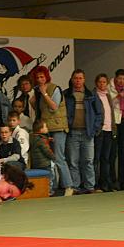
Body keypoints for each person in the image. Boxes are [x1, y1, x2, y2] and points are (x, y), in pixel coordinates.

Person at [29, 66, 73, 196]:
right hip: (45, 128)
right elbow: (39, 109)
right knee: (48, 160)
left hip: (58, 127)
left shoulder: (55, 88)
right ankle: (51, 188)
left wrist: (44, 93)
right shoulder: (37, 91)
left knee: (59, 158)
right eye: (37, 77)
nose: (40, 79)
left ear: (47, 76)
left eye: (42, 77)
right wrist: (35, 98)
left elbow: (54, 107)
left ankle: (69, 186)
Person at [64, 69, 102, 193]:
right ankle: (75, 187)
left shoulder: (91, 95)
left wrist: (95, 129)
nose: (78, 81)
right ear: (72, 79)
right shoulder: (66, 94)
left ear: (84, 80)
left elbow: (99, 113)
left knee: (88, 161)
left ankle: (90, 187)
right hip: (72, 133)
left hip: (88, 133)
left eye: (80, 78)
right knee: (73, 162)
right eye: (75, 78)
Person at [109, 69, 124, 189]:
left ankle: (123, 181)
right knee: (113, 152)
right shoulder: (109, 87)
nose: (121, 81)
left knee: (123, 152)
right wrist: (118, 96)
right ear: (115, 78)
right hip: (114, 121)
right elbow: (109, 104)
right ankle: (112, 180)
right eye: (119, 78)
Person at [94, 73, 118, 192]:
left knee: (106, 159)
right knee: (96, 158)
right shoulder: (93, 96)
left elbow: (111, 113)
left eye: (104, 82)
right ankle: (95, 183)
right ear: (96, 83)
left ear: (107, 83)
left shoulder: (108, 96)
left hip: (109, 130)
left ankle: (106, 183)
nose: (102, 84)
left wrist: (114, 128)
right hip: (99, 131)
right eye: (100, 82)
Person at [30, 119, 56, 192]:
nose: (47, 128)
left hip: (36, 163)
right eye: (45, 127)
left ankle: (41, 190)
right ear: (41, 130)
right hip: (44, 163)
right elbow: (46, 151)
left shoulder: (32, 137)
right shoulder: (41, 140)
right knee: (49, 177)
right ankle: (49, 190)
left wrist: (48, 139)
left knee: (39, 178)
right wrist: (53, 157)